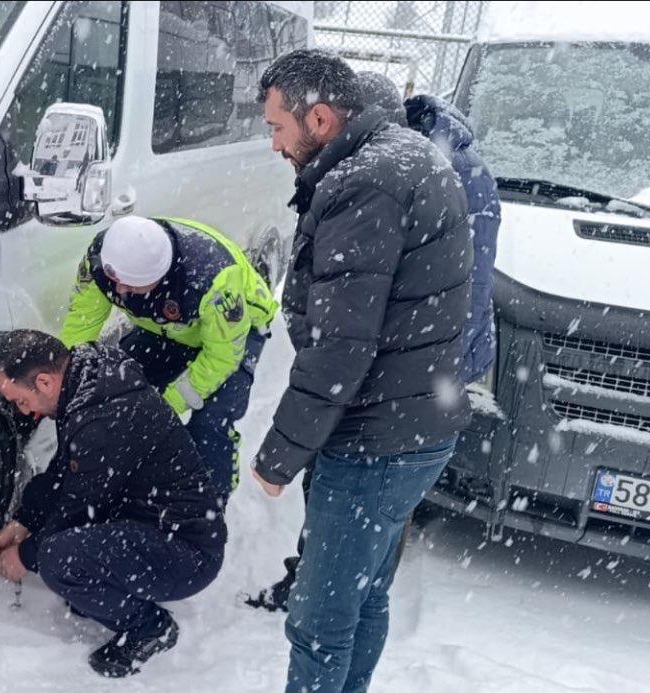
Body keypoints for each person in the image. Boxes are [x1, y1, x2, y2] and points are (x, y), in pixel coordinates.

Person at [249, 50, 473, 693]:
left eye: (276, 127)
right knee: (366, 595)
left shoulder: (366, 182)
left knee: (319, 620)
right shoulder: (405, 156)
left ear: (318, 117)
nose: (273, 144)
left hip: (376, 438)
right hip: (418, 420)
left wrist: (280, 456)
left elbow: (341, 346)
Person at [0, 329, 226, 678]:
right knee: (67, 556)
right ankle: (114, 587)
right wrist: (24, 520)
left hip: (186, 552)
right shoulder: (88, 383)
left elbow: (78, 508)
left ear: (45, 381)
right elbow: (65, 472)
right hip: (154, 522)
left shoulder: (102, 418)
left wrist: (24, 556)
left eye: (21, 400)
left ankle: (149, 628)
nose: (22, 410)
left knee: (58, 560)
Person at [59, 215, 278, 498]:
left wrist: (168, 404)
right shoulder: (103, 260)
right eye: (117, 284)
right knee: (116, 385)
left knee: (211, 421)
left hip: (236, 333)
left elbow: (221, 357)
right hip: (168, 330)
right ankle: (118, 479)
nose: (121, 292)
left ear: (160, 278)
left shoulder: (213, 282)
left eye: (133, 288)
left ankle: (211, 497)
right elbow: (81, 322)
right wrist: (69, 382)